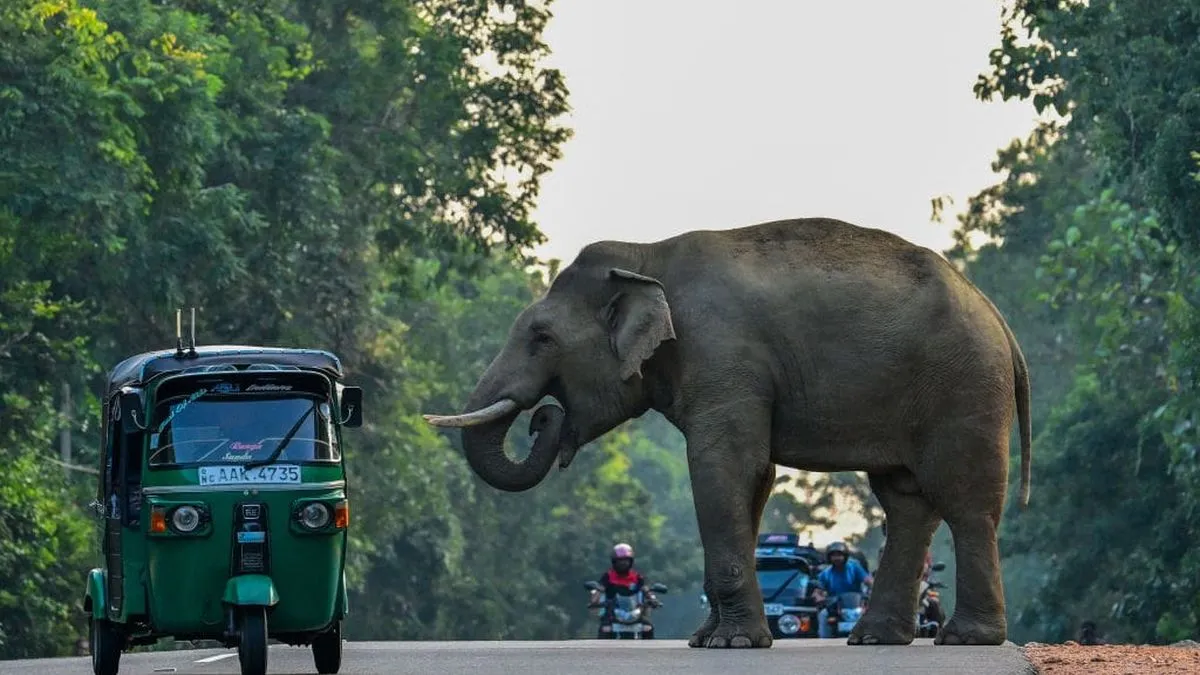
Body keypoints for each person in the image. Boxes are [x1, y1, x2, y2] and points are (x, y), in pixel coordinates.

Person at [589, 543, 661, 637]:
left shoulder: (637, 577)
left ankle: (649, 647)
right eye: (620, 561)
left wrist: (653, 599)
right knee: (605, 629)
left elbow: (646, 590)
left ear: (631, 561)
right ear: (614, 562)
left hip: (635, 613)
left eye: (626, 560)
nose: (623, 563)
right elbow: (600, 589)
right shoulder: (608, 576)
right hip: (612, 614)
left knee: (648, 628)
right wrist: (594, 601)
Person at [812, 541, 873, 638]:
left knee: (873, 614)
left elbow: (868, 581)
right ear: (829, 557)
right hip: (835, 606)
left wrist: (873, 591)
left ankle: (872, 637)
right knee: (823, 614)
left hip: (857, 604)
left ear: (845, 556)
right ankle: (824, 640)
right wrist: (818, 597)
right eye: (834, 555)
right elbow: (818, 590)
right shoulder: (825, 573)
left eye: (839, 555)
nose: (837, 558)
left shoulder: (854, 567)